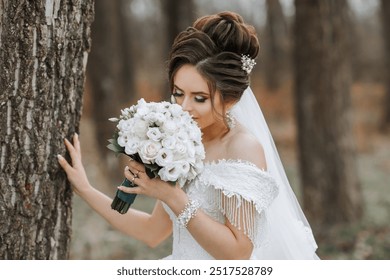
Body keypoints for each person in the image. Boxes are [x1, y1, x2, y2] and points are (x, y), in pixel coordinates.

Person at [58, 11, 319, 259]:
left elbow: (239, 253)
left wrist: (172, 196)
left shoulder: (242, 148)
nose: (183, 108)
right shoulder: (181, 140)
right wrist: (84, 189)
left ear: (231, 99)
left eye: (200, 98)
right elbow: (152, 231)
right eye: (179, 93)